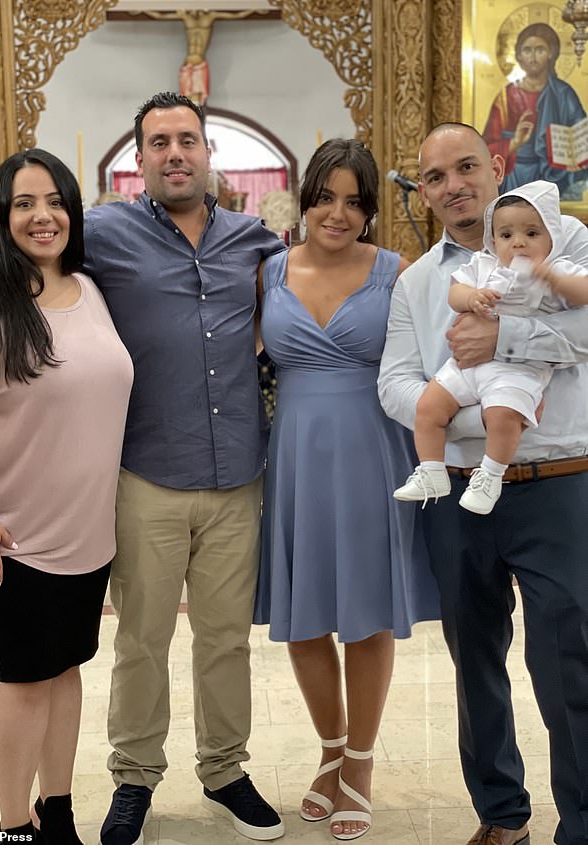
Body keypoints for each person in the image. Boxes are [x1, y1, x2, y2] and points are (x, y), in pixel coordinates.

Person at [83, 91, 286, 845]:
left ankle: (225, 768)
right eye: (159, 142)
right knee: (140, 638)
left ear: (209, 154)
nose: (175, 153)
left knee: (226, 638)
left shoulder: (254, 239)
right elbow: (23, 273)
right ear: (139, 162)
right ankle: (134, 776)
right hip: (146, 476)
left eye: (188, 140)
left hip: (237, 477)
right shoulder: (103, 234)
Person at [378, 122, 588, 845]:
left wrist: (505, 344)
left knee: (569, 660)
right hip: (461, 488)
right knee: (474, 659)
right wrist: (474, 406)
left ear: (495, 165)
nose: (452, 185)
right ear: (425, 191)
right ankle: (502, 815)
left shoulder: (566, 240)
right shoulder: (418, 280)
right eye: (434, 177)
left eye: (466, 166)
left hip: (558, 480)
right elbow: (396, 384)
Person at [253, 139, 441, 841]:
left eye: (355, 201)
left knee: (362, 612)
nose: (338, 212)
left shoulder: (399, 271)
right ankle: (329, 748)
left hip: (373, 451)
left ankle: (359, 762)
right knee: (304, 617)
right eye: (326, 196)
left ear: (369, 211)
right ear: (305, 198)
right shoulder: (267, 272)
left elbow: (439, 357)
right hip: (294, 455)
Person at [0, 149, 133, 844]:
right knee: (26, 680)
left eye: (55, 200)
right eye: (24, 203)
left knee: (65, 670)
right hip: (11, 535)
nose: (42, 215)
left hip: (87, 532)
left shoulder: (89, 289)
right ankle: (13, 827)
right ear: (2, 217)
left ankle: (56, 814)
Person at [394, 179, 588, 514]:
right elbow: (455, 293)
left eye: (532, 234)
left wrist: (553, 281)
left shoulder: (557, 268)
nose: (519, 244)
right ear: (493, 239)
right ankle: (431, 470)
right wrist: (472, 297)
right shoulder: (482, 266)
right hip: (465, 368)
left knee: (502, 416)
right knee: (427, 406)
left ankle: (491, 476)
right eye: (507, 236)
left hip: (517, 373)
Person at [482, 23, 587, 200]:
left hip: (555, 177)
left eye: (540, 49)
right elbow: (485, 150)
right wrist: (514, 142)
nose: (533, 57)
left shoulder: (563, 93)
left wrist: (576, 156)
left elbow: (582, 136)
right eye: (527, 50)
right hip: (515, 176)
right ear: (518, 56)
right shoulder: (506, 96)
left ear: (551, 54)